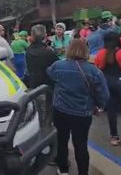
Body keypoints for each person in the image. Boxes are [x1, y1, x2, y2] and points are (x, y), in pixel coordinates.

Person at [47, 39, 109, 175]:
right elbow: (104, 94)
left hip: (61, 110)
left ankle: (63, 170)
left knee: (61, 141)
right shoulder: (94, 71)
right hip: (82, 113)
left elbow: (49, 74)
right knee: (81, 145)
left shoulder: (58, 66)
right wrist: (99, 107)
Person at [25, 24, 58, 126]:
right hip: (47, 85)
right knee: (48, 111)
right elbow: (55, 67)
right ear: (45, 36)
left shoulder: (29, 50)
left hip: (34, 84)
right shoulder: (49, 52)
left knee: (37, 111)